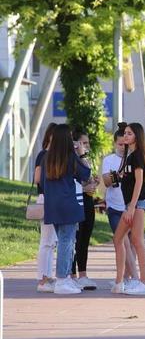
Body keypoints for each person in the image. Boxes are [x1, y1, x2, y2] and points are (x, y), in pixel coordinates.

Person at [39, 124, 91, 294]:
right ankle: (62, 279)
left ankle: (66, 278)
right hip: (68, 204)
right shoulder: (70, 157)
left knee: (64, 241)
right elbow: (85, 174)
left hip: (52, 206)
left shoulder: (47, 157)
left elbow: (44, 183)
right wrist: (82, 154)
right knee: (67, 242)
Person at [111, 123, 145, 295]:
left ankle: (144, 283)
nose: (125, 136)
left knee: (136, 240)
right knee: (118, 239)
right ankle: (119, 281)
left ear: (137, 136)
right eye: (124, 133)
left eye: (129, 133)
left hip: (137, 203)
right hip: (131, 205)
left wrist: (132, 207)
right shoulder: (129, 156)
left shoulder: (137, 157)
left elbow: (140, 182)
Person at [101, 125, 139, 287]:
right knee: (122, 241)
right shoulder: (109, 160)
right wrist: (117, 175)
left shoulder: (134, 159)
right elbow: (106, 181)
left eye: (126, 144)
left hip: (132, 205)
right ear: (115, 143)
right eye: (120, 144)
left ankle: (126, 277)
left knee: (132, 243)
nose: (123, 147)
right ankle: (136, 279)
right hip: (115, 207)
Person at [71, 130, 99, 290]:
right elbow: (70, 183)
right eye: (84, 143)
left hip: (88, 203)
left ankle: (83, 274)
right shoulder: (72, 159)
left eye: (88, 143)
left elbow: (87, 176)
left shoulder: (84, 159)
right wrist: (84, 187)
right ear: (76, 144)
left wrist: (93, 182)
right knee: (75, 240)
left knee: (84, 240)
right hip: (76, 203)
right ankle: (72, 275)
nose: (87, 146)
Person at [34, 123, 58, 293]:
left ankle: (47, 276)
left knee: (51, 241)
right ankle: (43, 279)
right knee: (47, 241)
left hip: (53, 200)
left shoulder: (53, 155)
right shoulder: (44, 155)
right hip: (46, 199)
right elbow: (37, 178)